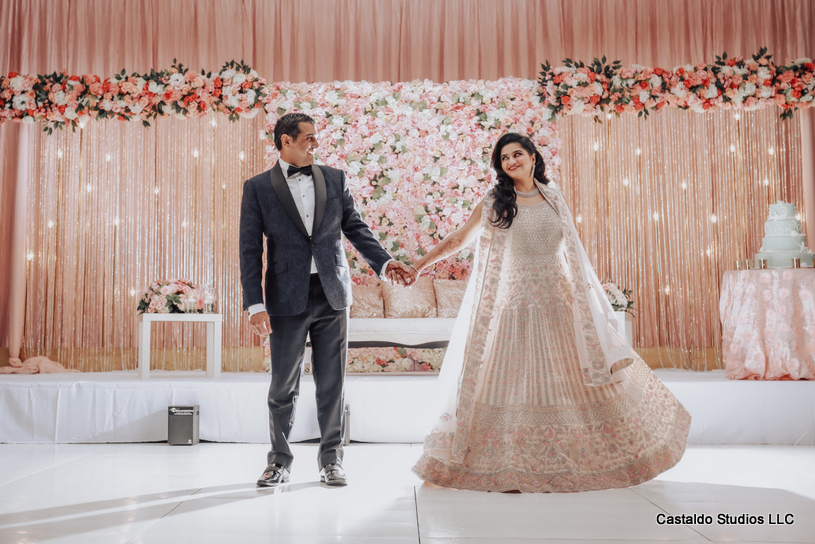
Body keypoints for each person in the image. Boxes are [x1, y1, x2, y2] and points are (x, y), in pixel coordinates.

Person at [411, 133, 691, 492]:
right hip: (514, 307)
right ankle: (508, 460)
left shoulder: (553, 196)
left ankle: (583, 455)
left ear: (532, 156)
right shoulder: (496, 200)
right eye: (504, 158)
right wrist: (419, 265)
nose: (511, 162)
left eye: (517, 154)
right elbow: (458, 239)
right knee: (512, 383)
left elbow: (574, 252)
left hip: (559, 303)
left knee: (573, 385)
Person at [240, 112, 417, 487]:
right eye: (308, 138)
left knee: (331, 383)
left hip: (333, 294)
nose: (315, 144)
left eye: (316, 138)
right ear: (286, 141)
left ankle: (331, 460)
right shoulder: (256, 187)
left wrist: (385, 263)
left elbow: (355, 227)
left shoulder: (335, 178)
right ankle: (279, 462)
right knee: (282, 386)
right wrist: (255, 304)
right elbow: (249, 250)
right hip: (285, 299)